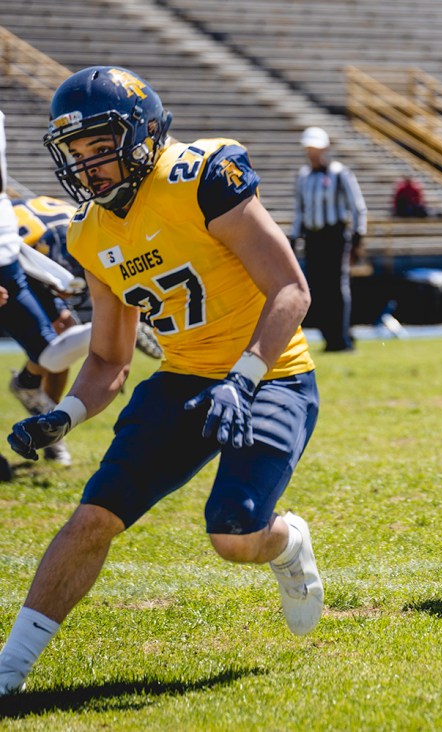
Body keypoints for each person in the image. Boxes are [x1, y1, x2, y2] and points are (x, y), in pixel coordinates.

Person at [0, 66, 324, 696]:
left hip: (272, 374)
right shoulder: (92, 233)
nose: (89, 165)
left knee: (233, 535)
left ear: (143, 134)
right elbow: (108, 360)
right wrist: (62, 415)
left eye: (101, 145)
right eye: (77, 152)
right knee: (93, 517)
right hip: (182, 379)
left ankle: (287, 544)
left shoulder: (200, 178)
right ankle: (10, 670)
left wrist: (244, 376)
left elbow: (291, 289)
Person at [0, 110, 74, 466]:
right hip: (27, 250)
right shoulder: (70, 233)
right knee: (63, 331)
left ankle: (47, 416)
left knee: (60, 335)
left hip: (15, 259)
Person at [291, 126, 367, 352]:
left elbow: (357, 207)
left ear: (325, 148)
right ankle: (328, 337)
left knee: (337, 287)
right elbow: (300, 210)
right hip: (313, 238)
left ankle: (342, 336)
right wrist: (295, 237)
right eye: (309, 149)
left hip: (334, 236)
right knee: (317, 288)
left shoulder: (339, 173)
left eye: (316, 149)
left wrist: (358, 237)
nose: (313, 154)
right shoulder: (303, 176)